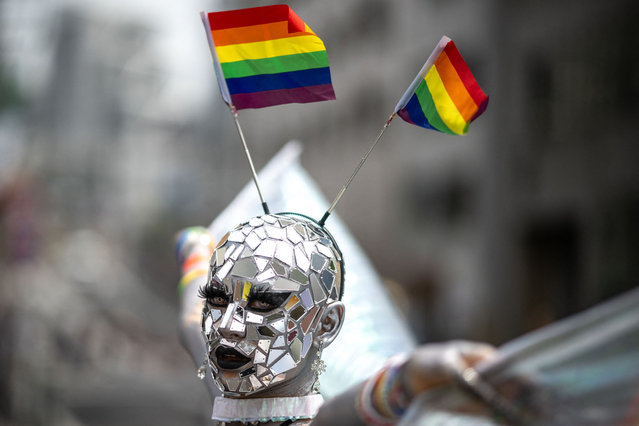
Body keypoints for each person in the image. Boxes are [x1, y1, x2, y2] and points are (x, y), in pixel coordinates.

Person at [176, 213, 498, 425]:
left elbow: (351, 410)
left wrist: (411, 377)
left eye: (263, 304)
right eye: (218, 299)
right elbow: (191, 320)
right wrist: (194, 250)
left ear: (326, 324)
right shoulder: (222, 391)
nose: (228, 325)